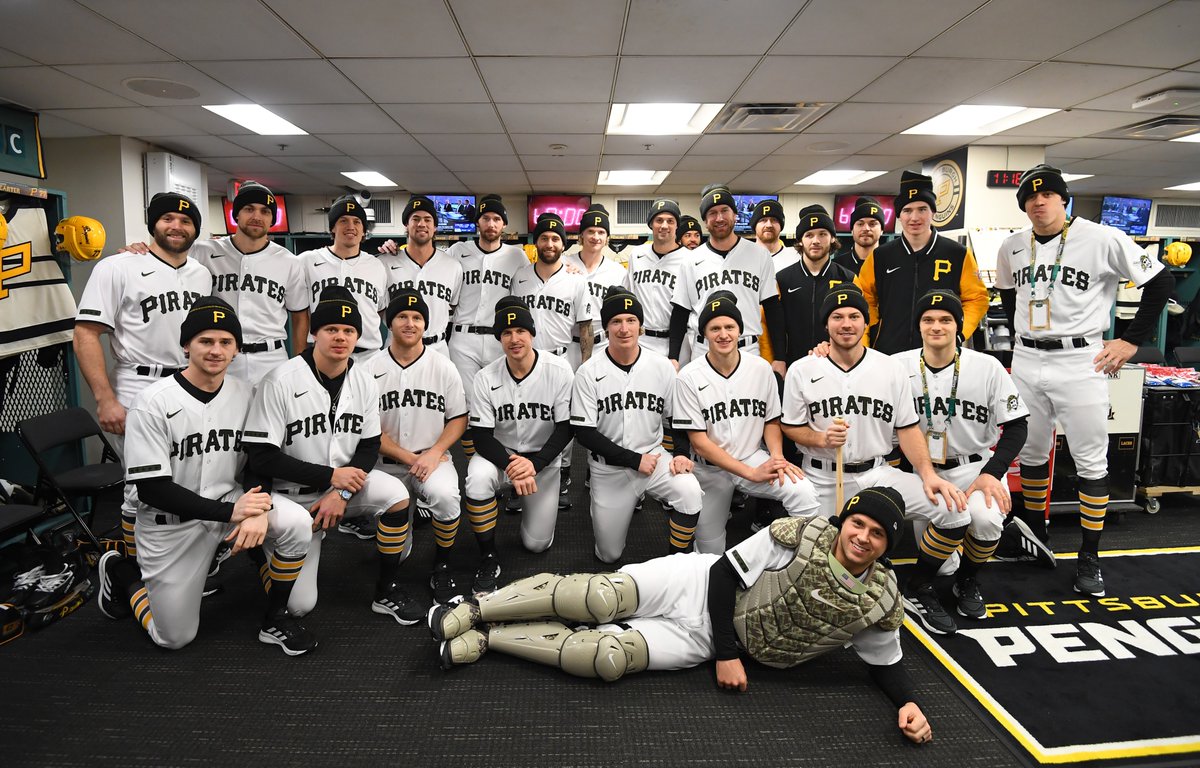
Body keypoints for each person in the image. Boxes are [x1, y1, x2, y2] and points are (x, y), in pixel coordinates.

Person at [429, 486, 935, 747]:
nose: (862, 537)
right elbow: (723, 578)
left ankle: (490, 639)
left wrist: (908, 703)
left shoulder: (878, 598)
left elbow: (884, 661)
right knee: (599, 600)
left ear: (888, 545)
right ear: (844, 520)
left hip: (705, 638)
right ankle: (474, 608)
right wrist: (727, 656)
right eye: (858, 523)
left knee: (605, 657)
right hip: (700, 586)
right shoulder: (797, 535)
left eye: (877, 534)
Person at [96, 297, 315, 654]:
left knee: (296, 524)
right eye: (205, 341)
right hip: (172, 523)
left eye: (226, 342)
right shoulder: (152, 402)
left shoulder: (247, 394)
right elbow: (152, 490)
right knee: (174, 638)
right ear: (186, 345)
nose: (216, 350)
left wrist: (257, 508)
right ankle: (124, 574)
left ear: (237, 350)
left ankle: (274, 609)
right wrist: (235, 514)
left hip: (229, 504)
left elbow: (259, 460)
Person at [994, 164, 1173, 596]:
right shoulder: (1012, 246)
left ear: (1062, 198)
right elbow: (1008, 294)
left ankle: (1090, 556)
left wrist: (1131, 341)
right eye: (1030, 199)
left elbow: (1161, 279)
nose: (1038, 203)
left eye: (1047, 195)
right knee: (1031, 453)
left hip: (1080, 359)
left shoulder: (1101, 237)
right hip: (1028, 358)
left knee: (1092, 461)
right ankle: (1036, 536)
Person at [781, 284, 968, 635]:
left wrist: (928, 475)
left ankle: (917, 585)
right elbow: (790, 426)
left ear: (866, 322)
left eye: (854, 316)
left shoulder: (890, 368)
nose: (846, 323)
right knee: (818, 567)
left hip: (878, 474)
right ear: (826, 325)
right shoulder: (803, 368)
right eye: (837, 317)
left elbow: (909, 428)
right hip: (822, 477)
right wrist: (820, 438)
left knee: (955, 510)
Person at [243, 286, 420, 625]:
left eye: (348, 331)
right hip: (288, 497)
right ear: (314, 333)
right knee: (300, 607)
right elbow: (261, 457)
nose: (340, 337)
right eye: (331, 329)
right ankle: (262, 556)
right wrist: (331, 478)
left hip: (339, 489)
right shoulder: (279, 379)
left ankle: (386, 589)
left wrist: (341, 491)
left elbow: (369, 445)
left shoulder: (364, 380)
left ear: (358, 337)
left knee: (396, 495)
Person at [74, 192, 210, 556]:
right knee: (142, 486)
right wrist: (105, 399)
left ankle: (182, 562)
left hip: (188, 383)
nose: (176, 226)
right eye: (168, 219)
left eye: (185, 221)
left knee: (186, 477)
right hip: (138, 382)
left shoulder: (201, 274)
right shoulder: (117, 267)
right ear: (153, 224)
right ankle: (133, 571)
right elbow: (86, 333)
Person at [893, 290, 1029, 618]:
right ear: (919, 326)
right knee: (941, 563)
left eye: (945, 320)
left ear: (959, 326)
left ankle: (967, 579)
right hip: (922, 472)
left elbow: (1017, 426)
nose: (936, 326)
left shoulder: (987, 366)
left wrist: (991, 473)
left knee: (983, 521)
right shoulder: (897, 365)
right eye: (928, 320)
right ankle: (949, 566)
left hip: (973, 466)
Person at [117, 181, 308, 386]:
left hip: (270, 356)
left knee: (273, 417)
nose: (257, 217)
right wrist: (139, 251)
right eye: (248, 209)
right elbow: (167, 252)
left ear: (272, 219)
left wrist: (298, 361)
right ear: (236, 215)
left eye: (265, 211)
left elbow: (299, 314)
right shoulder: (203, 251)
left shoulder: (289, 261)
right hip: (220, 356)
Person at [672, 291, 819, 554]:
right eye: (715, 328)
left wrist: (776, 457)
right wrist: (750, 473)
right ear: (704, 334)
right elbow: (700, 443)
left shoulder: (761, 368)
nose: (723, 334)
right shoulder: (688, 377)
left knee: (804, 493)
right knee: (710, 550)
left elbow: (771, 420)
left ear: (740, 330)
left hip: (753, 457)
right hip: (710, 471)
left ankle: (795, 560)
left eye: (729, 326)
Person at [572, 288, 702, 562]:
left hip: (654, 458)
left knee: (689, 491)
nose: (624, 328)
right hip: (610, 469)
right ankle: (605, 507)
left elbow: (675, 418)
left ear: (641, 326)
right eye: (616, 321)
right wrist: (633, 459)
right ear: (606, 327)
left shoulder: (662, 366)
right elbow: (583, 432)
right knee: (608, 555)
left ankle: (678, 560)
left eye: (631, 320)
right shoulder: (588, 372)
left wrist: (679, 453)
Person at [463, 298, 574, 592]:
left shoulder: (560, 370)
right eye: (507, 333)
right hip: (501, 456)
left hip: (542, 462)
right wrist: (513, 466)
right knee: (476, 480)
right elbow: (481, 436)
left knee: (537, 544)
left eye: (521, 331)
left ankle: (527, 508)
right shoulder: (485, 377)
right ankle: (488, 554)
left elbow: (566, 428)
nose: (515, 339)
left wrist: (534, 465)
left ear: (532, 334)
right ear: (499, 338)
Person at [367, 288, 468, 604]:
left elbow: (458, 419)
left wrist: (436, 452)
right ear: (389, 321)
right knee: (399, 553)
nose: (409, 323)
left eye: (417, 317)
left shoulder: (443, 365)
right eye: (402, 316)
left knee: (447, 497)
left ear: (425, 324)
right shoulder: (369, 368)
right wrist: (410, 457)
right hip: (385, 465)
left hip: (433, 459)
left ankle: (442, 564)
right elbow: (367, 430)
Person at [855, 172, 988, 353]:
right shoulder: (880, 256)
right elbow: (864, 298)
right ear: (899, 216)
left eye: (922, 209)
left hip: (940, 352)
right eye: (907, 210)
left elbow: (976, 299)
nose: (914, 218)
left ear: (933, 212)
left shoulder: (957, 254)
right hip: (888, 351)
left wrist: (958, 333)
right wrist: (869, 336)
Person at [513, 212, 595, 504]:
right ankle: (519, 476)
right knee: (524, 417)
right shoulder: (520, 277)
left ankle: (562, 475)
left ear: (563, 243)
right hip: (524, 360)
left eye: (555, 238)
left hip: (563, 358)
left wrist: (585, 368)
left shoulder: (576, 279)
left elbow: (585, 327)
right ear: (536, 243)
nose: (550, 243)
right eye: (544, 238)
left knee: (563, 419)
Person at [669, 185, 776, 366]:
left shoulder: (759, 255)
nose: (719, 218)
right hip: (704, 349)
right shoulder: (690, 259)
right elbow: (680, 312)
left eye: (724, 210)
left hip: (747, 348)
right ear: (705, 221)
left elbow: (773, 308)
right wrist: (673, 356)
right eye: (712, 213)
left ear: (735, 215)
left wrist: (779, 357)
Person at [764, 204, 855, 377]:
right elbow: (773, 324)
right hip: (792, 365)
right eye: (809, 235)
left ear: (833, 239)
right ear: (799, 241)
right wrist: (778, 358)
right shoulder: (782, 279)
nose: (815, 241)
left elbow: (859, 324)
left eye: (823, 234)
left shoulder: (848, 278)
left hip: (837, 364)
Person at [300, 195, 387, 359]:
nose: (351, 226)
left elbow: (380, 310)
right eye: (343, 221)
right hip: (324, 355)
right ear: (332, 228)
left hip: (369, 356)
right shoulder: (307, 261)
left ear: (363, 231)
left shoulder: (377, 265)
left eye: (357, 222)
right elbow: (299, 313)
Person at [378, 195, 463, 358]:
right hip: (396, 347)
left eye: (427, 219)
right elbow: (379, 309)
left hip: (437, 348)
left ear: (435, 226)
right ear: (406, 225)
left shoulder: (453, 266)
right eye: (415, 219)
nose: (421, 224)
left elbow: (452, 306)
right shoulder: (385, 262)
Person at [622, 198, 688, 360]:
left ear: (677, 225)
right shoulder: (636, 255)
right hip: (641, 340)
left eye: (670, 221)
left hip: (677, 342)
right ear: (651, 224)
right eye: (659, 220)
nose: (664, 225)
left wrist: (675, 354)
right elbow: (628, 296)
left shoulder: (689, 259)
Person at [834, 197, 886, 276]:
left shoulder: (892, 263)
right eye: (860, 224)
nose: (866, 229)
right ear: (852, 230)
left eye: (872, 224)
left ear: (882, 230)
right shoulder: (836, 266)